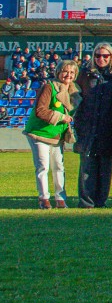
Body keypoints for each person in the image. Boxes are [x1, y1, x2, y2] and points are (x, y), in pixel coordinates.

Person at [74, 43, 112, 208]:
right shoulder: (84, 76)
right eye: (97, 55)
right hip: (88, 127)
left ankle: (101, 201)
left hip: (108, 128)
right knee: (87, 167)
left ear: (111, 57)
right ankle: (86, 201)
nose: (101, 59)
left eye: (105, 56)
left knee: (105, 168)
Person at [24, 60, 78, 209]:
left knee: (59, 167)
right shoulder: (49, 87)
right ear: (58, 72)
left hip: (57, 135)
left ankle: (60, 198)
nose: (68, 75)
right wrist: (61, 117)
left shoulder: (74, 92)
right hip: (39, 133)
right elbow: (40, 110)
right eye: (65, 71)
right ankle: (44, 198)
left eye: (72, 72)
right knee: (43, 166)